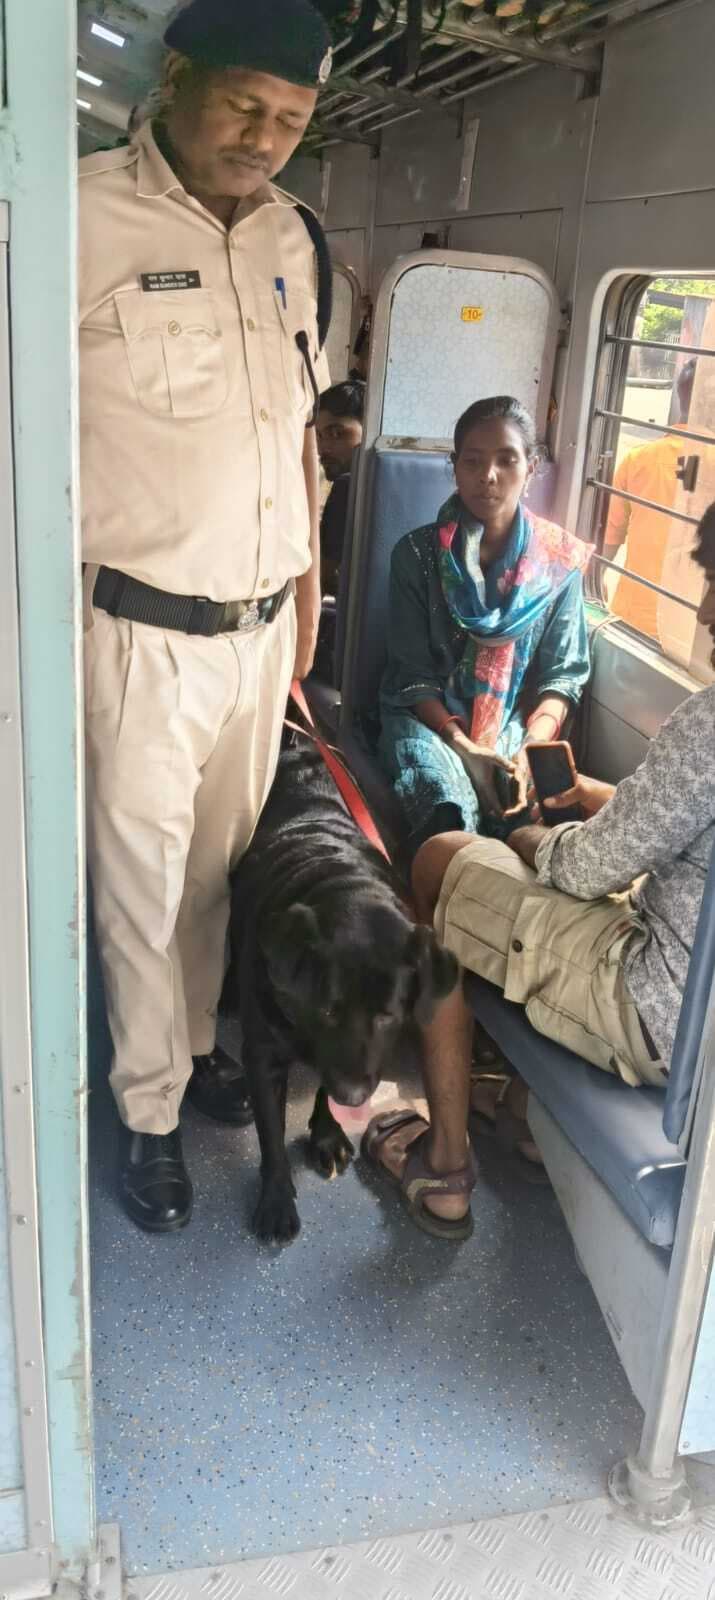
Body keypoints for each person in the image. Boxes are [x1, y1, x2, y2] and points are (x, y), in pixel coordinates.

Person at [80, 0, 334, 1233]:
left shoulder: (295, 236)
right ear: (175, 79)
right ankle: (146, 1114)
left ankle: (187, 1047)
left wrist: (307, 603)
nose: (264, 137)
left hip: (257, 631)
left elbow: (299, 443)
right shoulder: (76, 217)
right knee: (139, 885)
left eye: (291, 118)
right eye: (243, 104)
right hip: (137, 632)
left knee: (212, 879)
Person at [362, 504, 715, 1240]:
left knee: (440, 859)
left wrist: (530, 836)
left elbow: (581, 870)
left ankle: (445, 1163)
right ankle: (522, 1115)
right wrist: (592, 796)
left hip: (659, 1016)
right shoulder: (418, 556)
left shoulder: (707, 722)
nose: (706, 612)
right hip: (697, 1005)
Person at [378, 395, 592, 858]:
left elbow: (563, 677)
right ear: (455, 468)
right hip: (430, 722)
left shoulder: (558, 563)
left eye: (506, 460)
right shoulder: (414, 556)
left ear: (531, 467)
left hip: (518, 724)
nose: (488, 475)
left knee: (529, 811)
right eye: (472, 461)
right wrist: (464, 747)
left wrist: (531, 748)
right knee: (445, 805)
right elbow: (412, 676)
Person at [604, 359, 702, 639]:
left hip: (632, 622)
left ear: (680, 395)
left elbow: (609, 540)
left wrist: (594, 579)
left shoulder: (639, 460)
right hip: (696, 636)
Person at [316, 378, 365, 594]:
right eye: (319, 436)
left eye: (337, 433)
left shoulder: (347, 487)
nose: (322, 448)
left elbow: (324, 579)